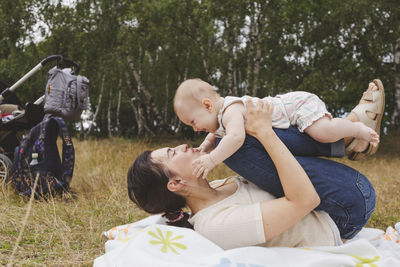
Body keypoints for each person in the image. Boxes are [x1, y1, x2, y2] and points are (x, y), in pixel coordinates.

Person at [128, 80, 384, 244]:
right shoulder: (215, 225)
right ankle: (347, 130)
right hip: (343, 211)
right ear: (175, 183)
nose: (183, 145)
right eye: (173, 153)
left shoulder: (219, 184)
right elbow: (306, 201)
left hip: (331, 198)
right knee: (233, 141)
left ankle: (346, 134)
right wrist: (265, 133)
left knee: (232, 137)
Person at [173, 79, 384, 179]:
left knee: (323, 132)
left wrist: (211, 159)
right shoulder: (219, 121)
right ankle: (354, 143)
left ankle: (355, 127)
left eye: (193, 122)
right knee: (320, 136)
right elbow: (214, 135)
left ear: (208, 105)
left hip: (297, 107)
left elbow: (236, 137)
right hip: (288, 116)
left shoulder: (230, 110)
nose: (196, 128)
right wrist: (204, 148)